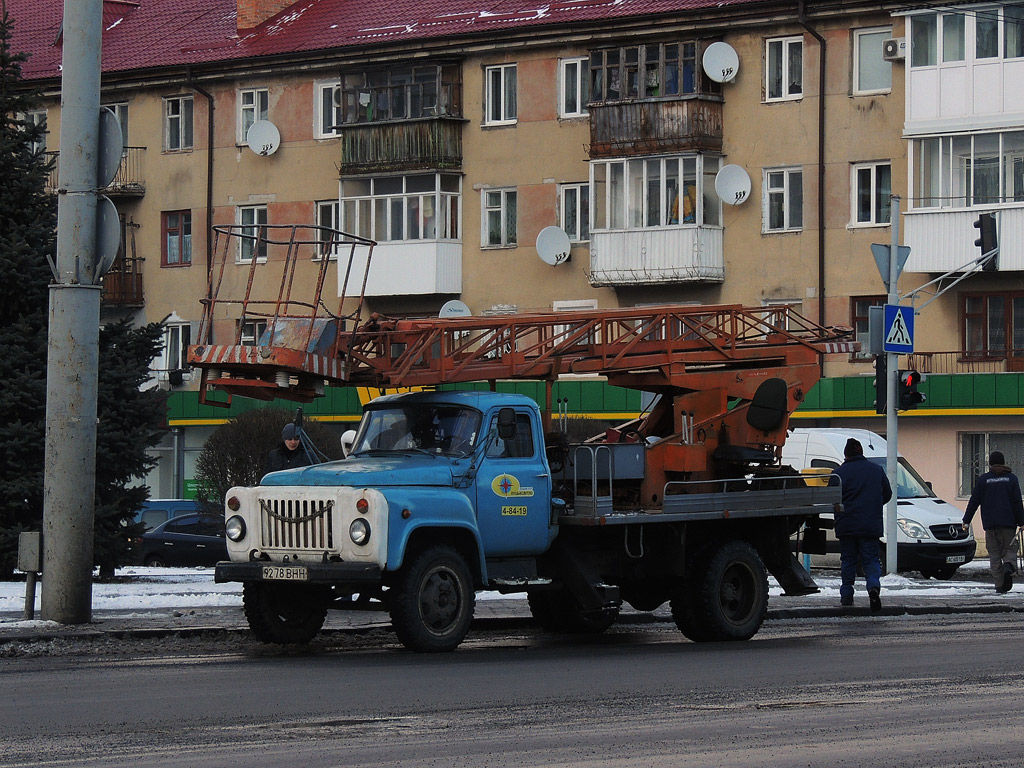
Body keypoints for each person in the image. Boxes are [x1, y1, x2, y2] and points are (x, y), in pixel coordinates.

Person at [833, 437, 892, 612]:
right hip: (869, 525)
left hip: (846, 525)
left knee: (848, 560)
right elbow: (887, 493)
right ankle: (873, 588)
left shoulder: (839, 473)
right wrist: (872, 506)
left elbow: (832, 499)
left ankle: (846, 595)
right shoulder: (876, 471)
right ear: (861, 452)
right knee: (871, 560)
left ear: (846, 455)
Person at [962, 451, 1024, 593]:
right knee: (1010, 549)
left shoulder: (983, 480)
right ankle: (1009, 566)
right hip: (1008, 524)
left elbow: (974, 502)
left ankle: (999, 585)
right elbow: (1017, 502)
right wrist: (1022, 521)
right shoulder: (1011, 479)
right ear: (1003, 463)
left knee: (994, 554)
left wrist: (966, 521)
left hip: (990, 525)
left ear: (990, 464)